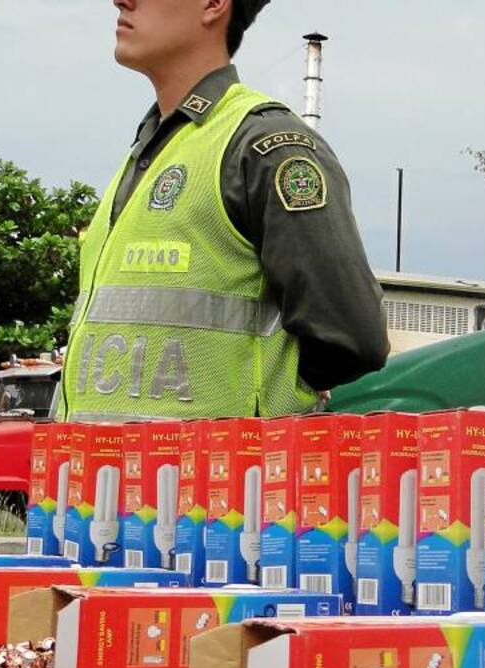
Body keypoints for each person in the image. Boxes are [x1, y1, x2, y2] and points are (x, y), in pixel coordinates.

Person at [59, 0, 389, 422]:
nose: (121, 0)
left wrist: (267, 397)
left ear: (214, 5)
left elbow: (352, 335)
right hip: (102, 482)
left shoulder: (263, 145)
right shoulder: (146, 153)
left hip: (219, 483)